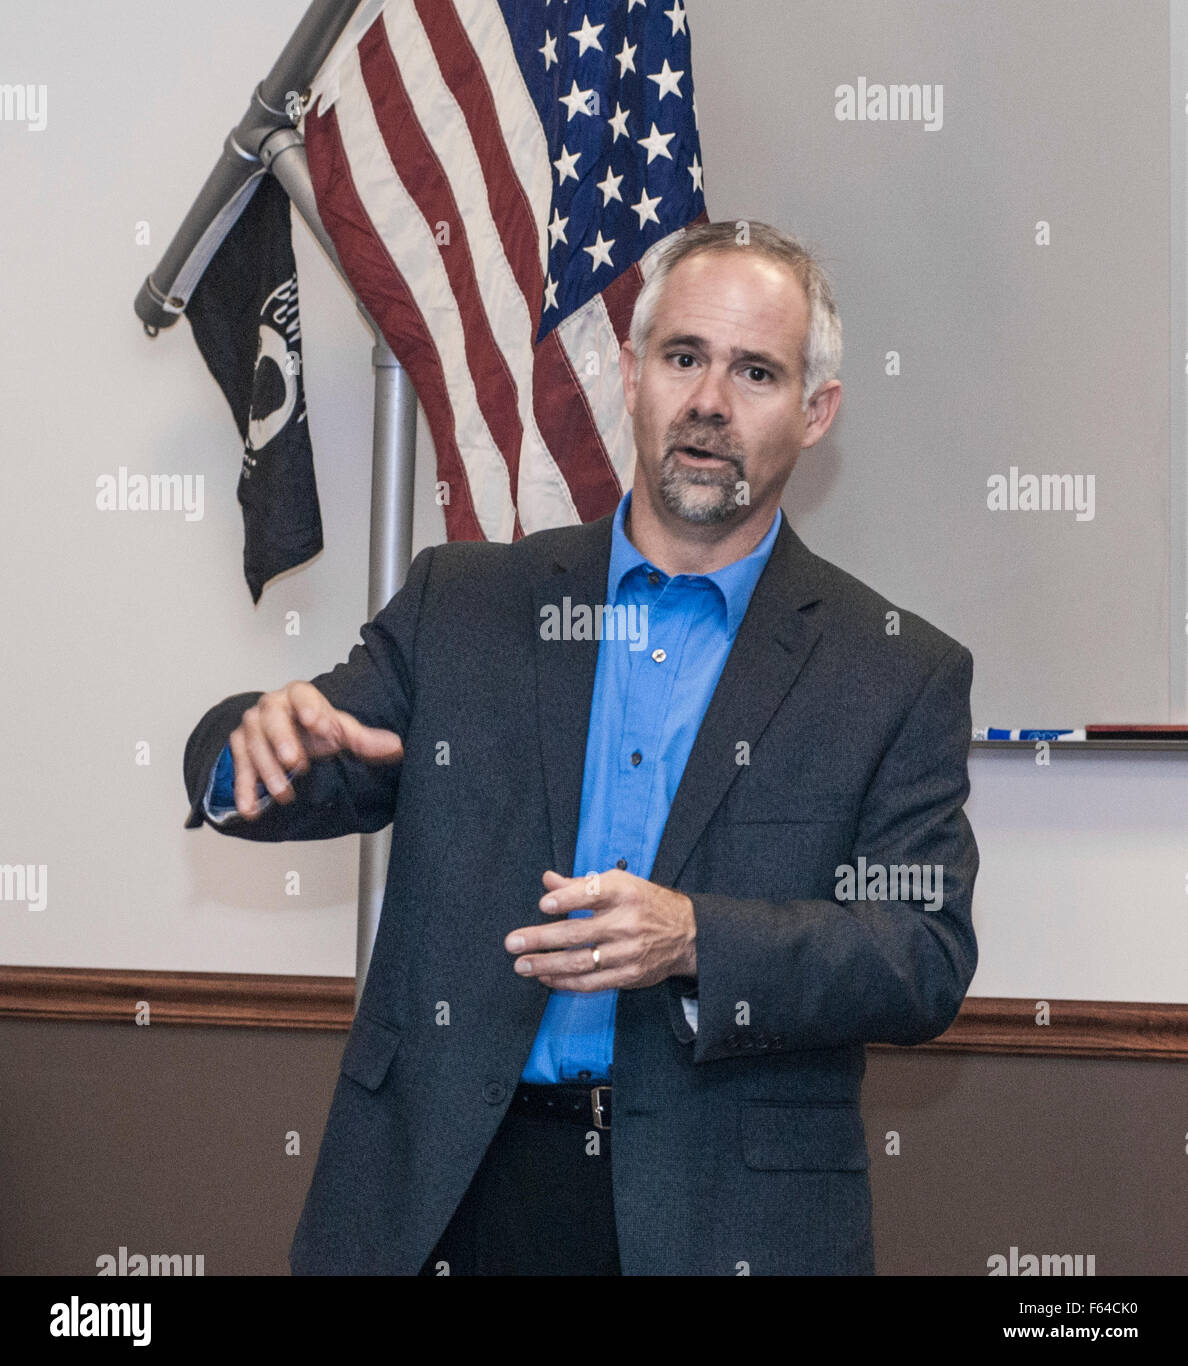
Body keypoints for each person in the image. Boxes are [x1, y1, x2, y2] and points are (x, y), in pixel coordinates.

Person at [183, 220, 979, 1276]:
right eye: (683, 357)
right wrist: (248, 743)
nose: (708, 401)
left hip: (720, 1212)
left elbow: (920, 953)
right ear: (633, 376)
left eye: (755, 371)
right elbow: (312, 753)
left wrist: (698, 937)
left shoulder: (893, 670)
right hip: (443, 1190)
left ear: (816, 409)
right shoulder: (464, 603)